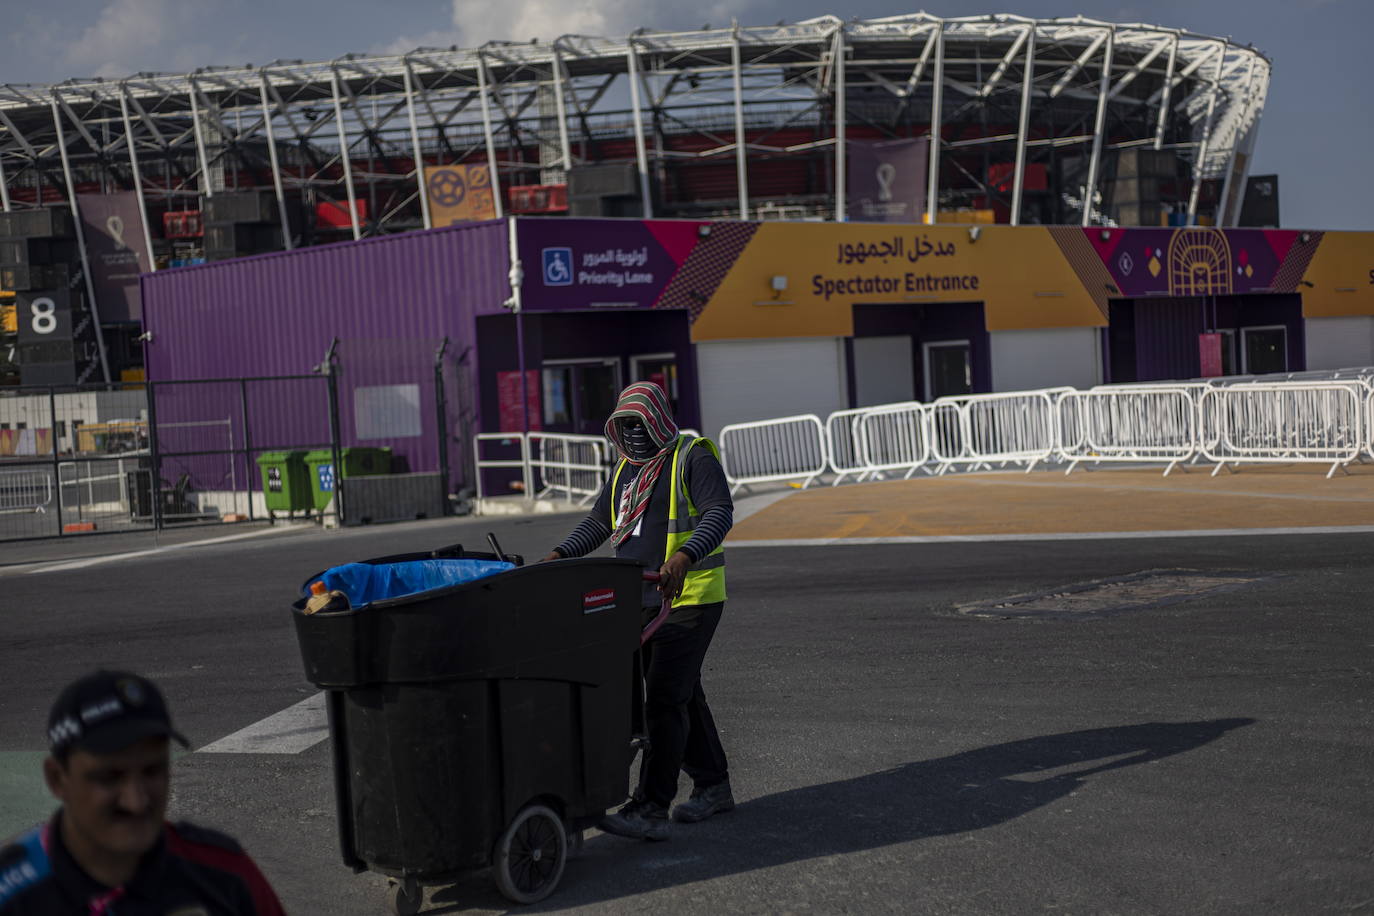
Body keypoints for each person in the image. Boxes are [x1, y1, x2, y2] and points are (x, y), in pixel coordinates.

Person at [543, 381, 736, 841]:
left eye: (639, 423)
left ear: (659, 419)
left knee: (665, 699)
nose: (632, 434)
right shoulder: (626, 471)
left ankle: (650, 806)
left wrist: (682, 558)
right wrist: (559, 556)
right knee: (684, 693)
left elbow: (719, 513)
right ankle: (713, 786)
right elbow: (599, 522)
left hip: (689, 596)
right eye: (623, 425)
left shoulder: (692, 456)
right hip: (640, 600)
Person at [0, 670, 287, 915]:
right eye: (109, 777)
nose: (136, 801)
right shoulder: (10, 893)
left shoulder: (224, 872)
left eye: (152, 771)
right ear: (57, 779)